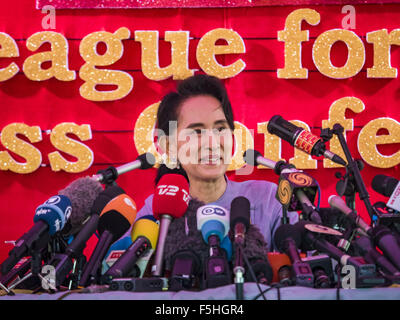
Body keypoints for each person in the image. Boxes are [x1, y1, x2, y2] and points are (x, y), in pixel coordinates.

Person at [135, 74, 297, 277]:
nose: (212, 142)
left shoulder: (268, 198)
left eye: (220, 129)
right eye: (196, 131)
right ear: (168, 145)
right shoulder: (158, 208)